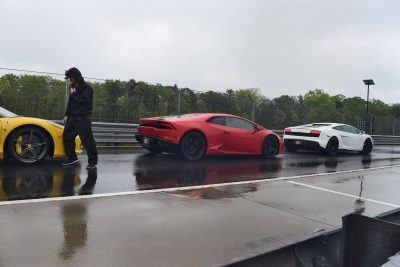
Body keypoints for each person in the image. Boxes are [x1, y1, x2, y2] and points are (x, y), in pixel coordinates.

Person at [62, 67, 98, 169]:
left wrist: (74, 94)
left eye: (71, 77)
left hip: (83, 118)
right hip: (72, 118)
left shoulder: (87, 88)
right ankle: (72, 159)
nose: (70, 80)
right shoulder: (73, 86)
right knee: (67, 137)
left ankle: (93, 162)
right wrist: (66, 114)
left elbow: (85, 102)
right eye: (69, 78)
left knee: (87, 141)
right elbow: (70, 102)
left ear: (76, 76)